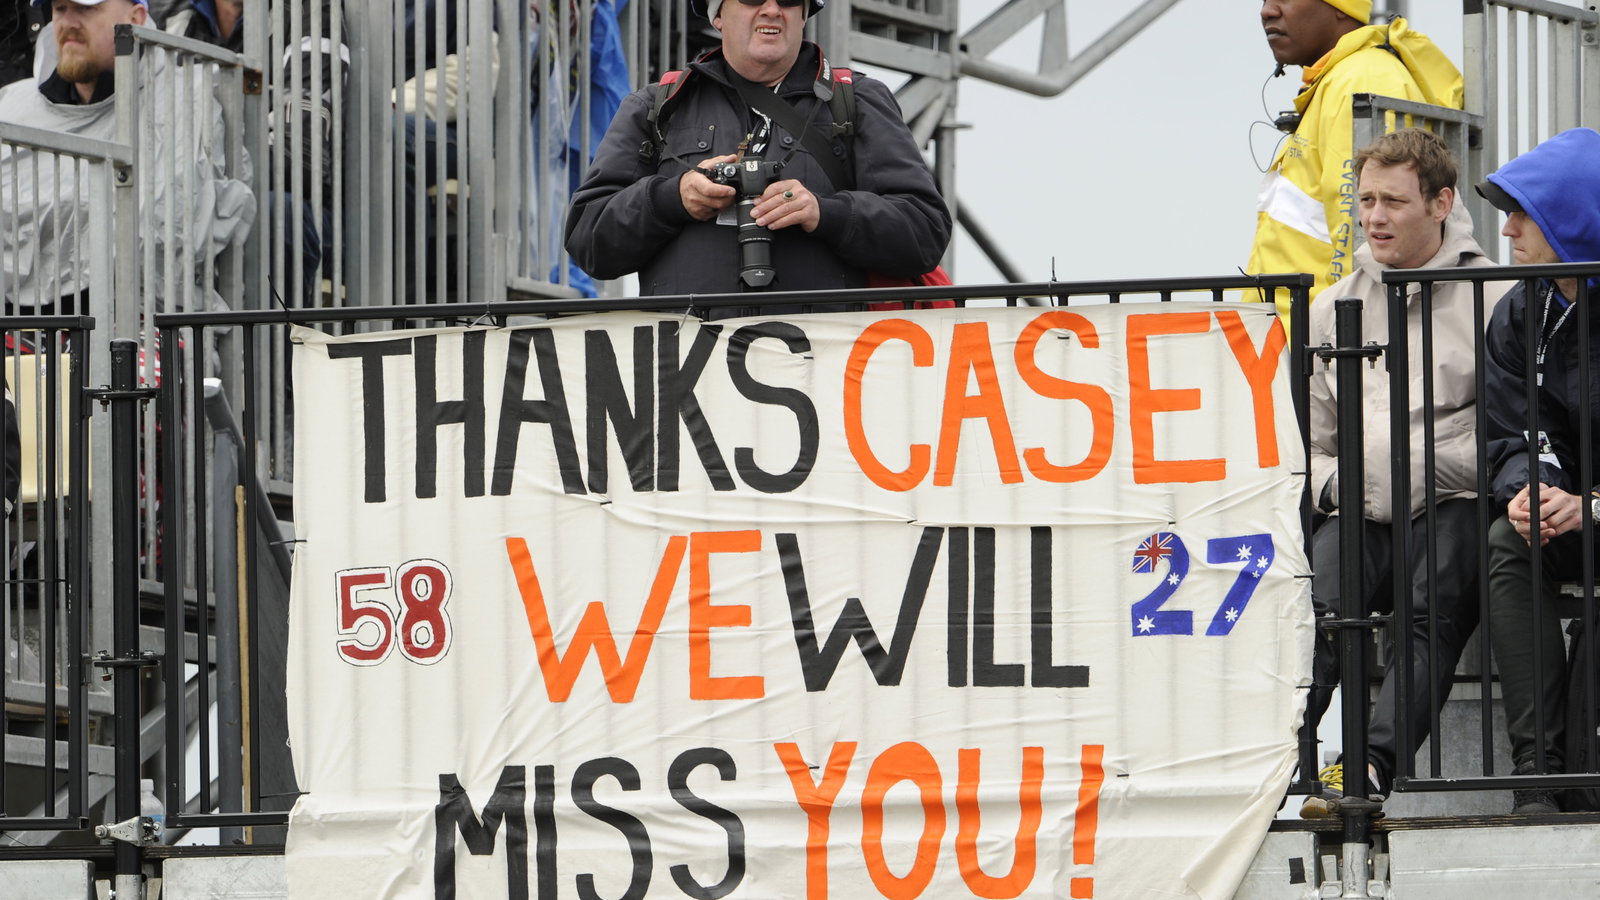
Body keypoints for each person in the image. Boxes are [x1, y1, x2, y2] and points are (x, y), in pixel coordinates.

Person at [1298, 128, 1511, 816]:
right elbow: (1311, 442)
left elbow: (1512, 429)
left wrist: (1422, 470)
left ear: (1442, 202)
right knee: (1313, 614)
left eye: (1393, 200)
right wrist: (1336, 488)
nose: (1374, 217)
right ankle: (1279, 767)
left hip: (1455, 499)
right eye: (1365, 200)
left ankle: (1366, 767)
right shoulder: (1329, 309)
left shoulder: (1498, 296)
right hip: (1360, 507)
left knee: (1430, 609)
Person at [563, 0, 950, 305]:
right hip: (688, 379)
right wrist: (672, 198)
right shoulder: (657, 105)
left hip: (820, 376)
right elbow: (587, 238)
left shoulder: (857, 100)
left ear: (804, 14)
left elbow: (925, 231)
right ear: (718, 13)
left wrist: (825, 212)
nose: (771, 9)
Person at [1479, 127, 1600, 814]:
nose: (1508, 228)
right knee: (1505, 541)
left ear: (1574, 215)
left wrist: (1592, 505)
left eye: (1526, 210)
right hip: (1573, 512)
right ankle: (1538, 773)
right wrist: (1530, 490)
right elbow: (1509, 428)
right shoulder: (1521, 308)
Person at [0, 0, 253, 313]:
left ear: (136, 18)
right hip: (23, 336)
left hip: (142, 332)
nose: (68, 22)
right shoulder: (12, 107)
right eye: (60, 8)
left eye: (87, 9)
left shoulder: (184, 99)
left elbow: (165, 238)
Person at [1247, 0, 1462, 321]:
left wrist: (1345, 344)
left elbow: (1365, 234)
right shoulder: (1341, 79)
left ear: (1341, 6)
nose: (1268, 11)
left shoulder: (1362, 79)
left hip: (1327, 346)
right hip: (1303, 342)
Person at [160, 0, 344, 306]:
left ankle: (272, 352)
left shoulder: (310, 12)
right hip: (191, 190)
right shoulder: (173, 18)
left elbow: (302, 155)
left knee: (274, 214)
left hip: (299, 204)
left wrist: (202, 168)